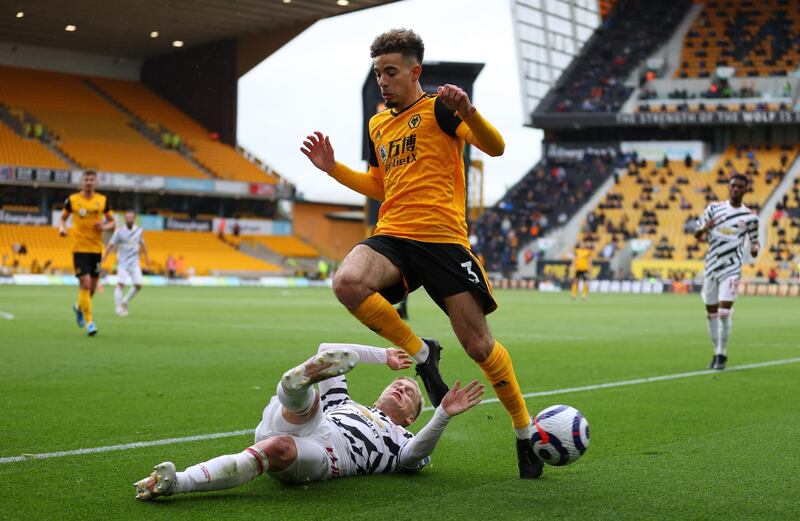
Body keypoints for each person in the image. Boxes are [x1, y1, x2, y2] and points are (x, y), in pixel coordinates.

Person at [300, 28, 544, 479]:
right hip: (393, 234)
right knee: (347, 281)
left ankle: (524, 432)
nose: (383, 81)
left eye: (391, 72)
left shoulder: (439, 110)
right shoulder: (378, 123)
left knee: (479, 345)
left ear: (416, 72)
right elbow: (380, 184)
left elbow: (495, 147)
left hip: (443, 240)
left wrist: (468, 110)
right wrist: (334, 170)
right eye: (378, 74)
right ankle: (421, 352)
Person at [134, 343, 484, 500]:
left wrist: (441, 415)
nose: (400, 385)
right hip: (308, 421)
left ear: (410, 416)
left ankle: (176, 482)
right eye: (397, 382)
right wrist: (383, 356)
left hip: (328, 455)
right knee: (312, 399)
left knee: (278, 447)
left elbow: (411, 459)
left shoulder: (402, 436)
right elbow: (330, 347)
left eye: (408, 391)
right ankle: (295, 386)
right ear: (379, 395)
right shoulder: (345, 402)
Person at [694, 174, 760, 370]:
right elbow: (697, 234)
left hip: (732, 268)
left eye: (740, 186)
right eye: (733, 186)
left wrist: (755, 248)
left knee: (723, 312)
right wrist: (705, 227)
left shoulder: (750, 218)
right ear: (728, 188)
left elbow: (755, 240)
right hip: (711, 266)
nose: (736, 189)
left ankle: (722, 354)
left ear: (746, 190)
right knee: (711, 313)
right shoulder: (714, 209)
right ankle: (716, 352)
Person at [59, 170, 115, 336]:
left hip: (96, 249)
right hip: (79, 248)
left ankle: (78, 306)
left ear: (95, 182)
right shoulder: (73, 200)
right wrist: (62, 228)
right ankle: (90, 322)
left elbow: (112, 222)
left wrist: (103, 227)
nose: (89, 182)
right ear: (82, 181)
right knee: (84, 282)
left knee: (91, 288)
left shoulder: (102, 201)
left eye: (92, 179)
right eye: (86, 179)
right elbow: (63, 218)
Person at [101, 210, 151, 317]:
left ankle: (125, 301)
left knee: (138, 285)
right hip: (123, 262)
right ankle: (118, 308)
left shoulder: (139, 230)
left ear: (134, 219)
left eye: (131, 218)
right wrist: (104, 256)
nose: (129, 219)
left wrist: (147, 258)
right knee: (121, 284)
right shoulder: (119, 231)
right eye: (127, 218)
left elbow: (143, 244)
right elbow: (111, 244)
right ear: (125, 219)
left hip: (134, 262)